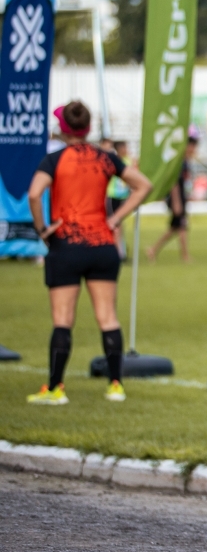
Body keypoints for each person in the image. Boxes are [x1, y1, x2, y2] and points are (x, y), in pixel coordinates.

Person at [26, 101, 152, 405]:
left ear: (63, 128)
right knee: (108, 317)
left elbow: (34, 193)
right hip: (102, 245)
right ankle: (116, 385)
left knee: (63, 319)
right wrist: (115, 218)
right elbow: (143, 185)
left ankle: (55, 388)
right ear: (88, 126)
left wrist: (43, 229)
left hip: (66, 244)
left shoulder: (55, 159)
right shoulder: (105, 157)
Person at [146, 134, 198, 263]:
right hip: (177, 198)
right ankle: (184, 256)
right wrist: (176, 201)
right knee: (181, 226)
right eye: (192, 146)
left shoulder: (185, 161)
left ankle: (153, 249)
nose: (194, 150)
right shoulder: (179, 162)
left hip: (181, 197)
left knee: (176, 227)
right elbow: (174, 182)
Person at [103, 140, 132, 261]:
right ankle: (117, 253)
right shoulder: (113, 161)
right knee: (115, 224)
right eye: (125, 147)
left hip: (123, 196)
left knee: (119, 224)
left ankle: (120, 251)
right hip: (113, 195)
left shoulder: (127, 161)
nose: (127, 150)